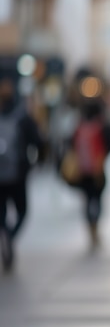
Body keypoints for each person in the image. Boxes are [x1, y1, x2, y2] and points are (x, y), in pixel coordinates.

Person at [0, 77, 44, 272]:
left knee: (1, 215)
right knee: (22, 212)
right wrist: (35, 164)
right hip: (18, 174)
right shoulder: (22, 117)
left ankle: (6, 235)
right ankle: (10, 236)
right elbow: (39, 142)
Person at [69, 101, 110, 249]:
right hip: (98, 171)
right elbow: (109, 145)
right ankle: (96, 228)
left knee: (87, 200)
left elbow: (71, 146)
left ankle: (90, 229)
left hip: (83, 172)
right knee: (98, 200)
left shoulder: (79, 128)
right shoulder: (101, 127)